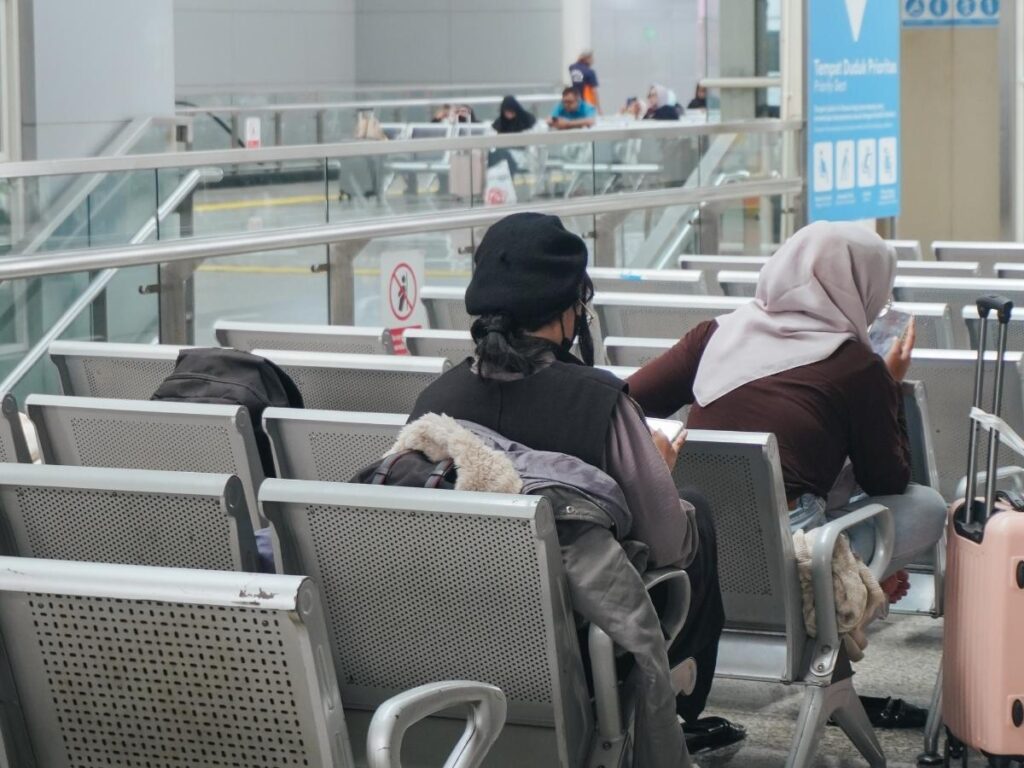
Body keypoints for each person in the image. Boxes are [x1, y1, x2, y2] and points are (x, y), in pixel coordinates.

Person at [408, 212, 741, 754]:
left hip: (449, 638)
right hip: (579, 649)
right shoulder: (598, 401)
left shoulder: (433, 405)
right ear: (569, 310)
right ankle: (673, 699)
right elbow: (669, 545)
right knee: (692, 512)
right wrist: (657, 470)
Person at [628, 221, 947, 596]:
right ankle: (849, 577)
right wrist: (889, 384)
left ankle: (852, 577)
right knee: (927, 506)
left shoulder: (714, 334)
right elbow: (888, 481)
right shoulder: (857, 366)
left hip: (694, 531)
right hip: (790, 551)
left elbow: (627, 399)